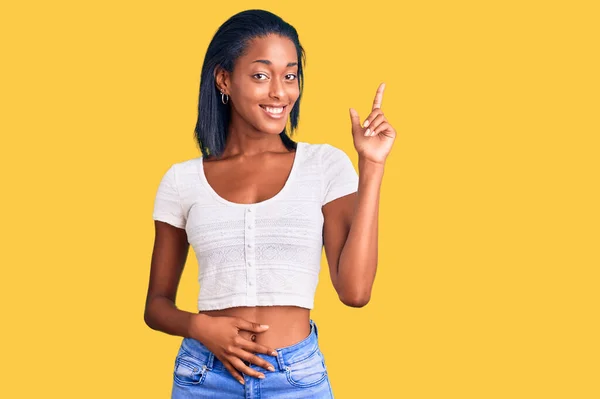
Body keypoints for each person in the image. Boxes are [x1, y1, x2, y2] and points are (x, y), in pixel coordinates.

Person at [144, 9, 396, 399]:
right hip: (203, 377)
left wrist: (373, 165)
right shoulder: (181, 181)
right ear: (224, 79)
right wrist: (201, 327)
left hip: (296, 378)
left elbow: (355, 291)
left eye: (290, 75)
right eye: (261, 75)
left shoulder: (324, 166)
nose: (280, 92)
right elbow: (156, 306)